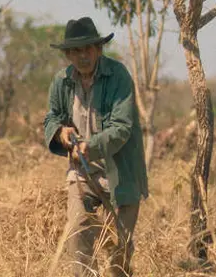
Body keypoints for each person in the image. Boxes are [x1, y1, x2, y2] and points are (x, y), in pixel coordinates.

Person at [43, 16, 149, 277]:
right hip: (82, 172)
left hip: (121, 173)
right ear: (68, 54)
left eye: (88, 49)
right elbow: (52, 117)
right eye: (76, 51)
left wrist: (91, 146)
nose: (83, 56)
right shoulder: (62, 81)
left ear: (99, 49)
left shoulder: (119, 76)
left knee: (118, 252)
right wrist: (60, 132)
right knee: (78, 234)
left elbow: (122, 127)